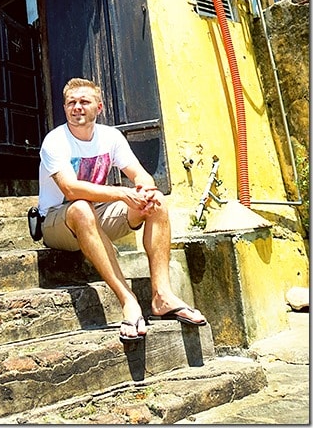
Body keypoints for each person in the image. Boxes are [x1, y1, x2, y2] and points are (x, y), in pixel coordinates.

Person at [38, 77, 206, 344]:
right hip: (58, 222)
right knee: (81, 207)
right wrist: (121, 193)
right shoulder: (55, 141)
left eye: (84, 101)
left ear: (99, 107)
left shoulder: (111, 137)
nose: (77, 107)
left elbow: (141, 175)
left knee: (157, 202)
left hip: (98, 216)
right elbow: (70, 190)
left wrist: (144, 191)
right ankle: (128, 301)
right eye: (71, 102)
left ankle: (162, 296)